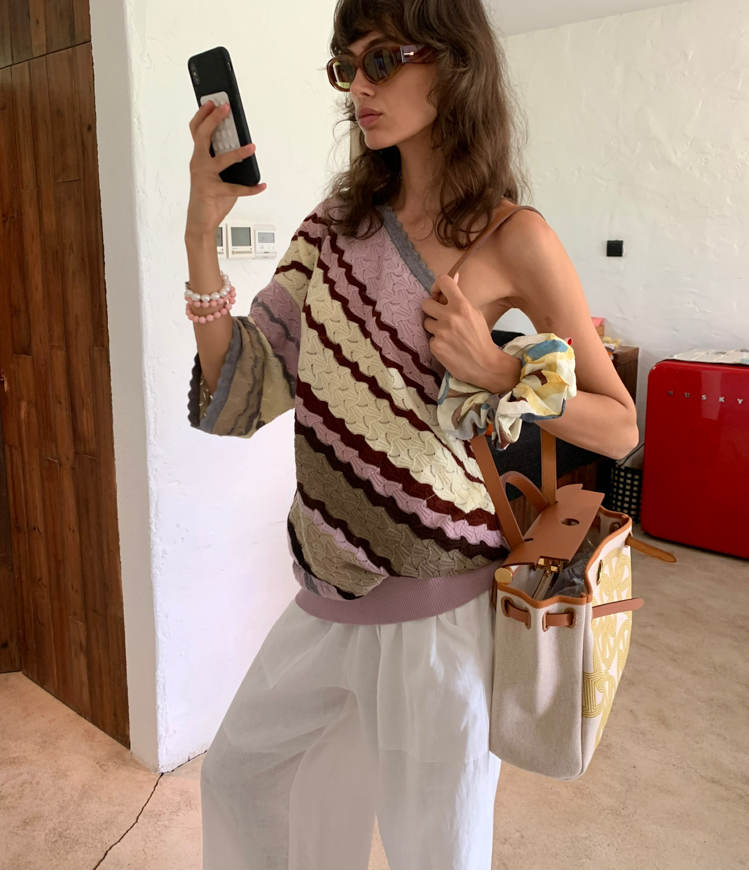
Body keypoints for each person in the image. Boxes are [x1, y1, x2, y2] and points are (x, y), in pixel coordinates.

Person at [184, 0, 639, 870]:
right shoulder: (331, 228)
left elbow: (618, 426)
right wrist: (201, 231)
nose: (359, 86)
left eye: (383, 59)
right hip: (325, 599)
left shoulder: (512, 237)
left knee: (434, 855)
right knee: (241, 779)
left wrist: (500, 370)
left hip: (443, 619)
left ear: (454, 64)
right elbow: (243, 387)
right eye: (346, 65)